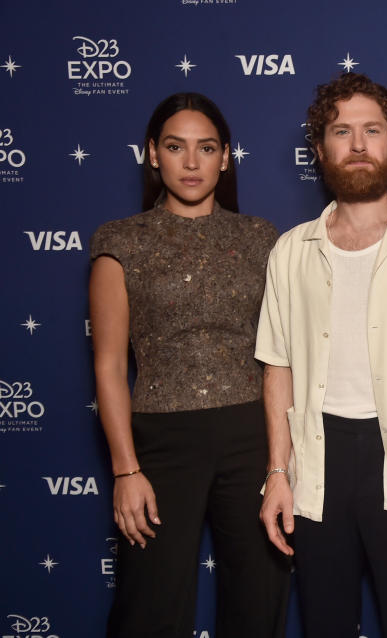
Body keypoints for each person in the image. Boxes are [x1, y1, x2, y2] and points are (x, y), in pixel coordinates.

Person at [256, 72, 387, 638]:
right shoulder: (289, 251)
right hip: (318, 462)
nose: (357, 145)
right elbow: (277, 367)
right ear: (320, 147)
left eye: (371, 130)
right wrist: (279, 473)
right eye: (341, 131)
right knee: (324, 625)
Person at [89, 92, 289, 638]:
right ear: (154, 154)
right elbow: (108, 366)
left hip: (251, 437)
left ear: (226, 157)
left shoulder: (260, 239)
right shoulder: (120, 241)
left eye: (207, 148)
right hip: (161, 442)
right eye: (177, 148)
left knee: (258, 603)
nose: (192, 162)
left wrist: (280, 465)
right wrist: (126, 470)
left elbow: (281, 359)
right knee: (148, 610)